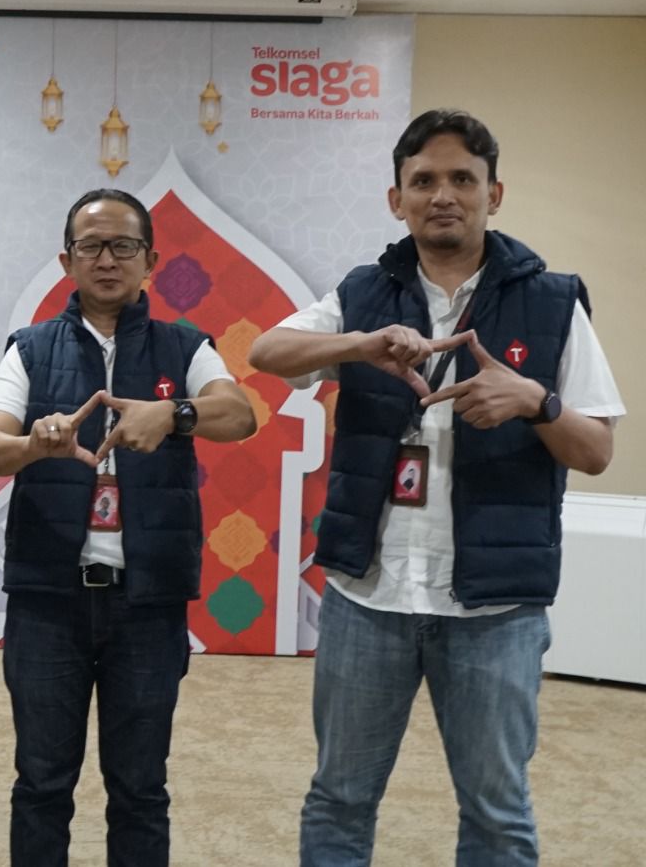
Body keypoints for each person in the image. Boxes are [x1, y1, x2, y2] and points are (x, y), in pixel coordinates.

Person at [247, 109, 625, 866]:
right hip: (368, 598)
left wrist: (536, 401)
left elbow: (596, 452)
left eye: (462, 179)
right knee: (339, 799)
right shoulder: (364, 292)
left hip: (495, 611)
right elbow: (266, 350)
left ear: (495, 193)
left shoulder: (553, 301)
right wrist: (360, 345)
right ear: (398, 200)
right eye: (423, 181)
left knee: (497, 814)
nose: (442, 195)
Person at [0, 187, 257, 866]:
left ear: (150, 261)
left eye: (123, 246)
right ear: (66, 260)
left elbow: (239, 414)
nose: (107, 260)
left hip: (147, 603)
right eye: (92, 246)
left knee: (140, 789)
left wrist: (175, 414)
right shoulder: (30, 349)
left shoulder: (184, 346)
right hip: (49, 600)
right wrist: (35, 444)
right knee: (41, 784)